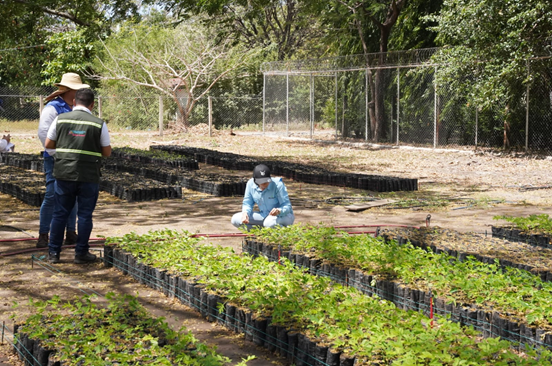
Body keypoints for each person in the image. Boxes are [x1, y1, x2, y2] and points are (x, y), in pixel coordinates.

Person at [45, 88, 111, 264]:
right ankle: (81, 253)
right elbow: (106, 152)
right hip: (89, 176)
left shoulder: (60, 119)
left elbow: (48, 144)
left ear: (74, 101)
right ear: (92, 104)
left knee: (60, 213)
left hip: (64, 174)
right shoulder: (98, 124)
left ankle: (54, 254)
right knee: (85, 215)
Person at [37, 73, 90, 248]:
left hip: (74, 160)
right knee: (52, 195)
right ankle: (44, 234)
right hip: (55, 159)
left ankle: (71, 232)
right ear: (69, 90)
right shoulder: (53, 108)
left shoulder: (78, 108)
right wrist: (59, 155)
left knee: (72, 195)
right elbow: (44, 134)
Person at [231, 164, 295, 230]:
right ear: (255, 181)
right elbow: (247, 203)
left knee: (269, 223)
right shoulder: (250, 184)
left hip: (283, 216)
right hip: (264, 215)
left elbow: (287, 206)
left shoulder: (278, 184)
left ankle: (284, 234)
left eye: (266, 181)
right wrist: (245, 213)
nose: (265, 184)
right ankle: (262, 233)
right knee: (235, 219)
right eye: (262, 182)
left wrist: (279, 211)